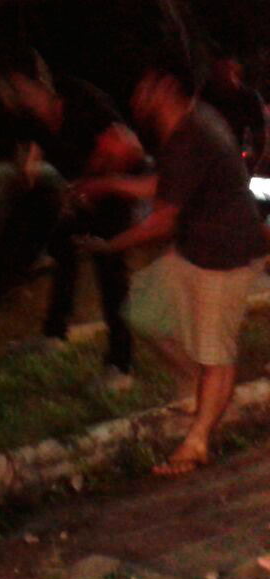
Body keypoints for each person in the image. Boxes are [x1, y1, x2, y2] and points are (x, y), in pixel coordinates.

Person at [75, 57, 267, 475]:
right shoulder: (184, 125)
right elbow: (164, 186)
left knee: (216, 351)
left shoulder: (193, 131)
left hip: (226, 254)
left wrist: (110, 245)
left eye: (144, 84)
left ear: (164, 87)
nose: (136, 94)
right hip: (196, 247)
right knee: (145, 311)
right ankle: (203, 395)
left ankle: (197, 441)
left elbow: (162, 219)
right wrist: (106, 184)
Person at [0, 62, 146, 390]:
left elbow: (129, 146)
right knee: (64, 248)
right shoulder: (31, 118)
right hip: (83, 191)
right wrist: (30, 164)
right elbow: (37, 142)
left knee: (110, 272)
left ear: (41, 83)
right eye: (8, 91)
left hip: (116, 188)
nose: (13, 96)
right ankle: (55, 334)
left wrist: (96, 180)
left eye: (18, 88)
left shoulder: (80, 97)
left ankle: (121, 366)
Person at [201, 53, 267, 174]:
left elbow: (259, 135)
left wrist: (252, 165)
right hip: (208, 157)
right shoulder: (206, 95)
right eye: (218, 73)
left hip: (235, 156)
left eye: (227, 71)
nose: (224, 76)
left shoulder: (248, 98)